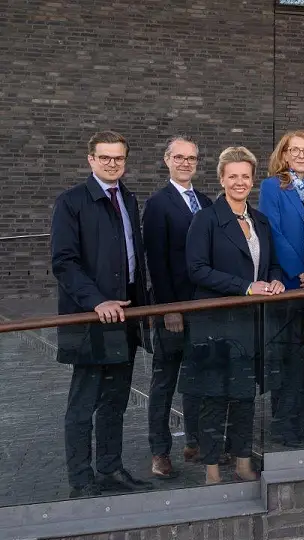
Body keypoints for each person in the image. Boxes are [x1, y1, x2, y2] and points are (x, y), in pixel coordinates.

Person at [51, 130, 153, 498]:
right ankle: (81, 480)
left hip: (126, 313)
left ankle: (111, 469)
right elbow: (63, 262)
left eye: (119, 158)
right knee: (84, 403)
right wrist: (96, 301)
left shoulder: (127, 197)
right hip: (90, 316)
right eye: (105, 157)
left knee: (116, 400)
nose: (113, 164)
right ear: (90, 159)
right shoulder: (71, 202)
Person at [183, 146, 284, 484]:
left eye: (245, 176)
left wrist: (275, 280)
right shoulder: (206, 219)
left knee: (244, 396)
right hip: (215, 322)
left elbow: (270, 265)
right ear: (222, 179)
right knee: (213, 397)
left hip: (250, 324)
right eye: (233, 176)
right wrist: (245, 286)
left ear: (253, 180)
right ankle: (212, 470)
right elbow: (197, 269)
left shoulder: (261, 221)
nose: (239, 182)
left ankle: (243, 462)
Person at [142, 135, 212, 479]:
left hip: (203, 307)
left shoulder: (206, 200)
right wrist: (169, 308)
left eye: (192, 158)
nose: (186, 163)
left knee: (197, 379)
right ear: (167, 160)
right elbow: (155, 259)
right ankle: (159, 451)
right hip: (173, 307)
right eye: (179, 157)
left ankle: (195, 443)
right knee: (165, 381)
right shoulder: (158, 204)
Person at [258, 130, 304, 448]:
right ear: (284, 154)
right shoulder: (272, 187)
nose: (301, 155)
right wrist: (298, 270)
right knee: (287, 359)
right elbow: (272, 231)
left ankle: (302, 423)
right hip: (287, 286)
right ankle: (283, 426)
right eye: (294, 150)